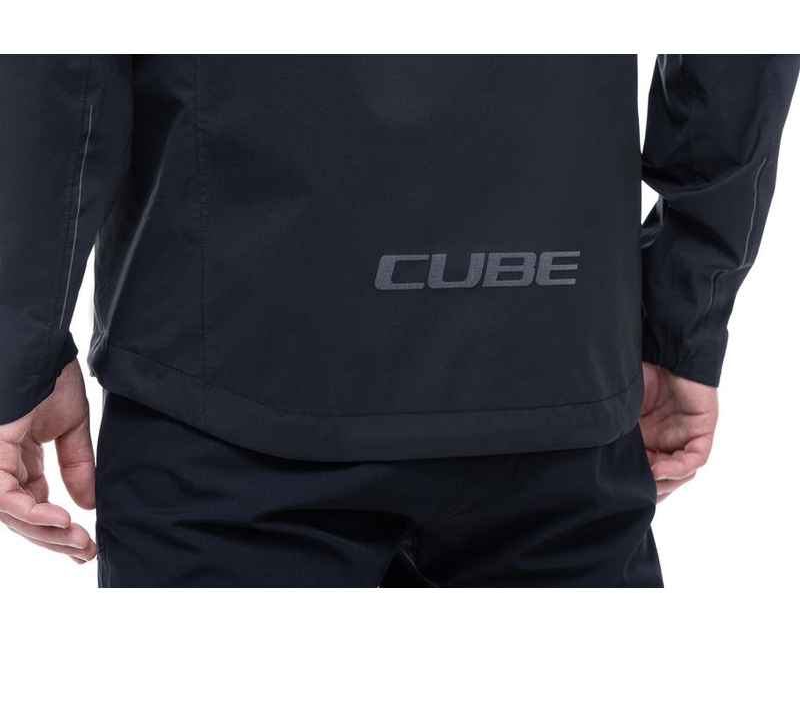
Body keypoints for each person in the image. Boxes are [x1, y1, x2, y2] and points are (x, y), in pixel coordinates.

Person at [1, 55, 798, 588]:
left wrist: (20, 349)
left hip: (236, 380)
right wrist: (683, 314)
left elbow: (57, 49)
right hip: (551, 367)